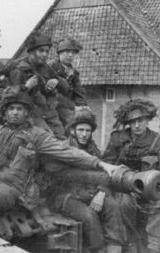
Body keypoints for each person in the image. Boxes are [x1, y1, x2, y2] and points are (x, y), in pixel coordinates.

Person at [0, 86, 119, 249]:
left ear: (27, 113)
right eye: (11, 109)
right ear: (5, 112)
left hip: (11, 188)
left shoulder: (38, 136)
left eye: (19, 109)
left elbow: (69, 152)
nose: (15, 113)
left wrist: (101, 164)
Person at [102, 99, 160, 253]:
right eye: (132, 121)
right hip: (124, 188)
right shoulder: (117, 139)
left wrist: (155, 183)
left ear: (147, 120)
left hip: (150, 190)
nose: (137, 125)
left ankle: (154, 247)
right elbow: (106, 165)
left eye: (141, 120)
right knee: (123, 203)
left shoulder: (158, 142)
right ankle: (131, 242)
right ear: (128, 122)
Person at [50, 107, 126, 253]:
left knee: (113, 207)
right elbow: (59, 179)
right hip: (66, 197)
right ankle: (98, 250)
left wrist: (102, 192)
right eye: (80, 130)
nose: (84, 134)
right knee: (89, 217)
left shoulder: (93, 150)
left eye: (88, 131)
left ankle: (114, 249)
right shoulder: (63, 149)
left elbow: (104, 175)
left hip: (90, 193)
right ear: (72, 130)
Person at [8, 32, 68, 139]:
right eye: (41, 51)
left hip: (47, 111)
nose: (45, 54)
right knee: (48, 138)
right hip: (28, 114)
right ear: (31, 52)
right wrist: (26, 87)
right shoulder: (18, 68)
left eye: (47, 51)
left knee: (63, 136)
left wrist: (56, 80)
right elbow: (11, 97)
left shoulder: (45, 67)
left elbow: (66, 88)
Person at [48, 37, 87, 126]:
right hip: (52, 106)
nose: (70, 55)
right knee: (72, 121)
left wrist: (83, 106)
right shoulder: (50, 67)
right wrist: (74, 107)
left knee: (86, 119)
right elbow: (52, 93)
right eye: (67, 52)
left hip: (67, 107)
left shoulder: (73, 72)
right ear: (59, 53)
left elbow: (79, 92)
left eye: (73, 52)